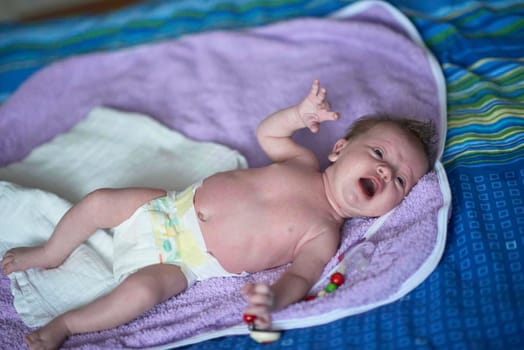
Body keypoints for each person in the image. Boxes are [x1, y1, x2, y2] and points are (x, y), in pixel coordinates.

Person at [1, 80, 434, 350]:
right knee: (99, 202)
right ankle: (51, 251)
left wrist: (273, 300)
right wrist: (298, 116)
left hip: (184, 264)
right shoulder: (302, 161)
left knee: (142, 293)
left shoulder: (323, 233)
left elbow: (300, 278)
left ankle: (65, 325)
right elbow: (268, 132)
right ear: (339, 149)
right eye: (378, 153)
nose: (384, 170)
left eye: (400, 180)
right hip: (168, 206)